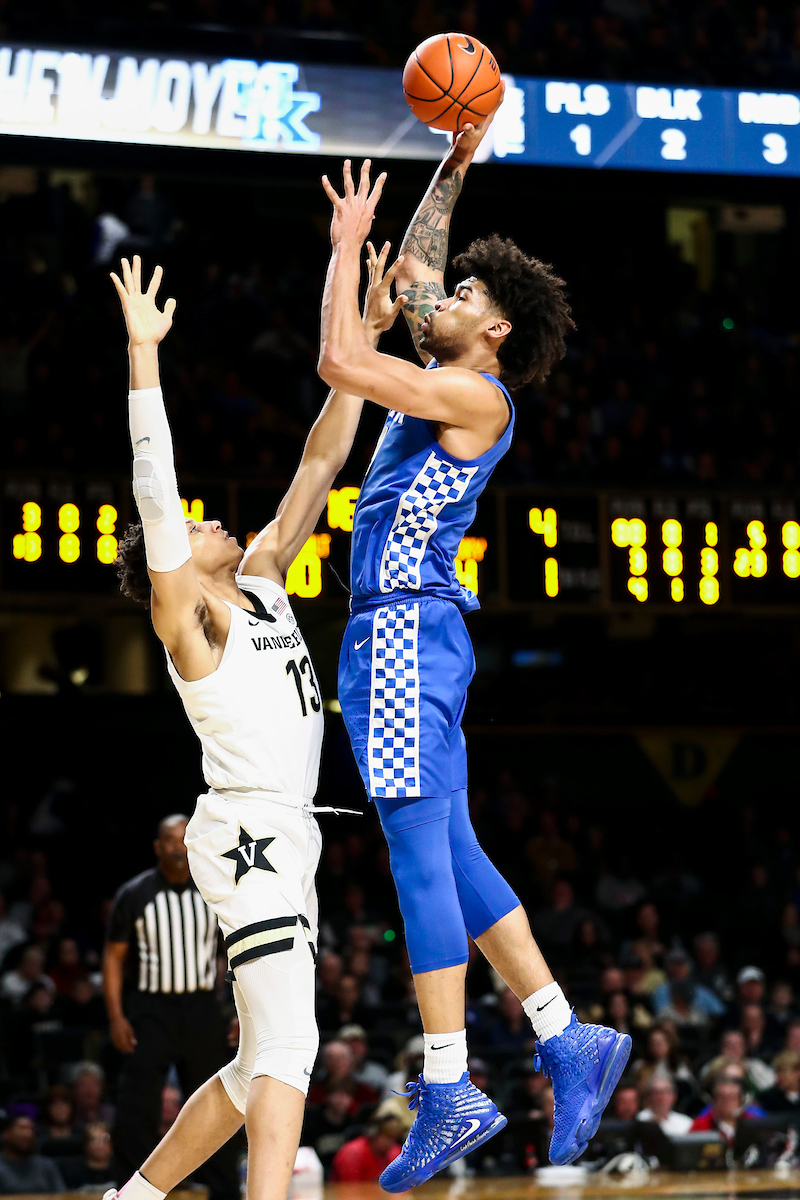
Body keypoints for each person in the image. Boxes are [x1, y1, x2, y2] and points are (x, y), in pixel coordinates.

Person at [317, 113, 629, 1190]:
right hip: (409, 633)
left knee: (413, 854)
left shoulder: (467, 393)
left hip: (401, 629)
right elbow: (410, 284)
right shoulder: (455, 368)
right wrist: (450, 167)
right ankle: (564, 1035)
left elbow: (337, 356)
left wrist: (339, 251)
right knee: (451, 853)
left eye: (464, 299)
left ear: (493, 333)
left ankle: (449, 1086)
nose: (443, 297)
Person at [104, 249, 401, 1200]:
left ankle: (134, 1199)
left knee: (251, 1072)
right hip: (246, 834)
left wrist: (364, 338)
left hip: (290, 830)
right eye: (189, 530)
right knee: (291, 1048)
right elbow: (155, 490)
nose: (204, 522)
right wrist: (144, 358)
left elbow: (323, 456)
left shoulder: (265, 578)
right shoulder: (190, 619)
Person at [103, 815, 235, 1196]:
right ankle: (131, 1191)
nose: (178, 847)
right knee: (137, 1107)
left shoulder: (212, 889)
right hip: (151, 1009)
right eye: (170, 841)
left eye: (183, 839)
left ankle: (224, 1191)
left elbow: (235, 953)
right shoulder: (135, 893)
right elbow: (113, 958)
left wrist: (238, 1012)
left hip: (202, 1009)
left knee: (217, 1102)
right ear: (158, 847)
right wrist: (116, 1016)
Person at [329, 1110, 403, 1183]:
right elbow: (349, 1190)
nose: (391, 1143)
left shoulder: (395, 1153)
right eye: (388, 1137)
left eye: (395, 1139)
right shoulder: (352, 1154)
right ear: (373, 1133)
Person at [0, 1114, 65, 1195]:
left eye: (31, 1130)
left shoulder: (46, 1166)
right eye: (22, 1128)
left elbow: (62, 1196)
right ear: (6, 1134)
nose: (28, 1134)